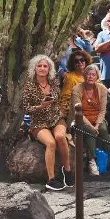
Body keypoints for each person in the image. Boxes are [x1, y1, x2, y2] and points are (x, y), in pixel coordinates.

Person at [22, 55, 72, 191]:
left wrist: (60, 111)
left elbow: (58, 100)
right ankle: (51, 179)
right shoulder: (29, 86)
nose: (42, 68)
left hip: (55, 118)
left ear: (49, 68)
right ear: (34, 68)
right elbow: (26, 108)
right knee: (51, 143)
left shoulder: (54, 82)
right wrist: (41, 106)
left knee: (61, 137)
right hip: (38, 122)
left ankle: (67, 171)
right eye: (39, 66)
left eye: (45, 66)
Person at [71, 64, 110, 176]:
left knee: (103, 129)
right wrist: (91, 126)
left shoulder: (101, 89)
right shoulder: (77, 89)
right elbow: (78, 112)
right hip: (81, 119)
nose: (90, 77)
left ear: (97, 77)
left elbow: (102, 110)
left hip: (97, 118)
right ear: (84, 75)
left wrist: (97, 124)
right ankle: (92, 161)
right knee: (91, 132)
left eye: (93, 74)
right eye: (88, 74)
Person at [59, 48, 91, 115]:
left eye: (82, 60)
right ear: (73, 64)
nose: (79, 62)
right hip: (77, 108)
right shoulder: (70, 77)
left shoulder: (92, 74)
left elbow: (101, 90)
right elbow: (66, 97)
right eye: (76, 61)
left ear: (86, 61)